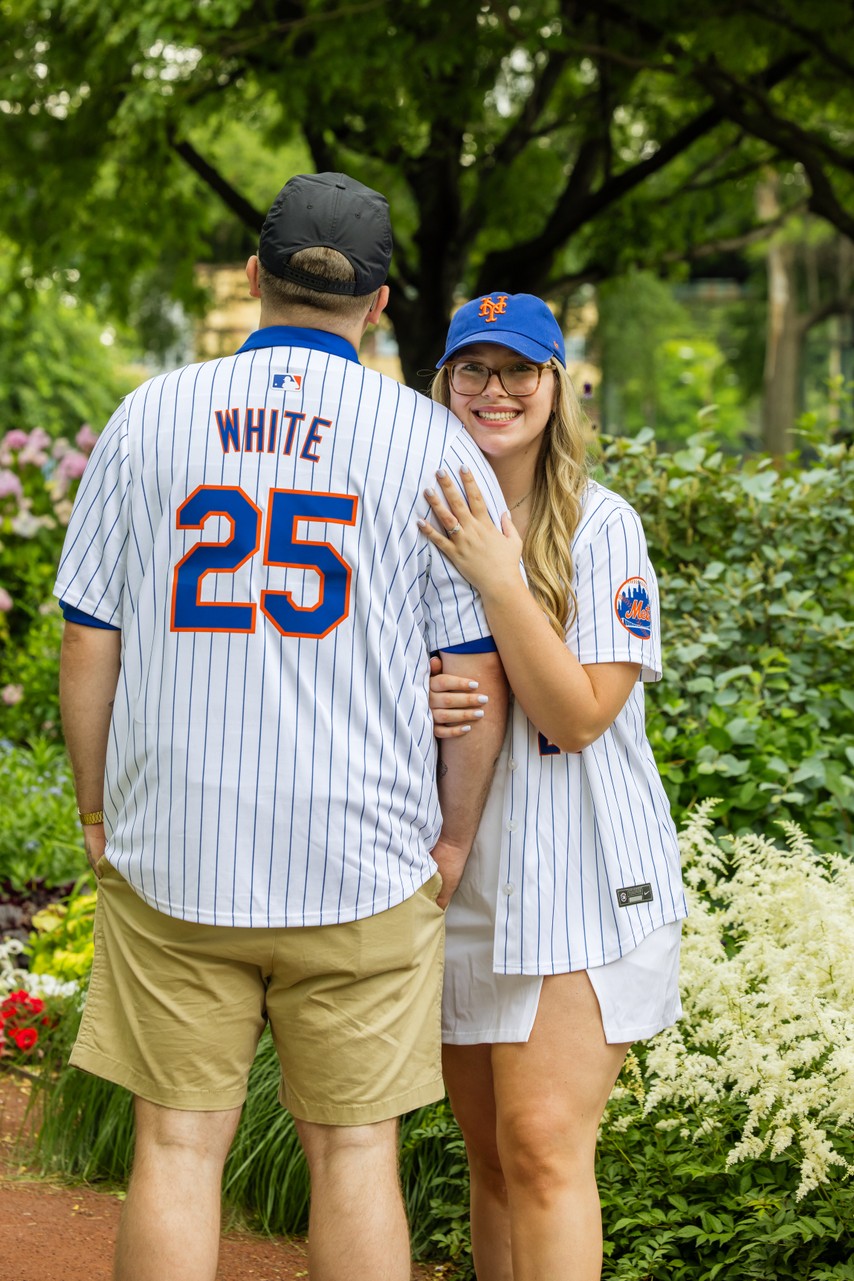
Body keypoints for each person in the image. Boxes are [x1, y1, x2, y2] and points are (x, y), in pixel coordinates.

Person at [53, 174, 509, 1281]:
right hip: (361, 854)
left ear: (255, 278)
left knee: (174, 1142)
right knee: (354, 1154)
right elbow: (472, 676)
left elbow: (88, 641)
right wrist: (450, 842)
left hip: (180, 853)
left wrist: (99, 809)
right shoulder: (431, 442)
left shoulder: (150, 414)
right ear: (380, 302)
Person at [418, 292, 688, 1281]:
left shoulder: (600, 526)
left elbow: (576, 717)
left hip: (585, 879)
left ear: (554, 385)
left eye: (517, 370)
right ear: (442, 383)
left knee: (539, 1147)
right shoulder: (417, 517)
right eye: (472, 370)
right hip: (466, 881)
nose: (495, 391)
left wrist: (498, 577)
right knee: (490, 1159)